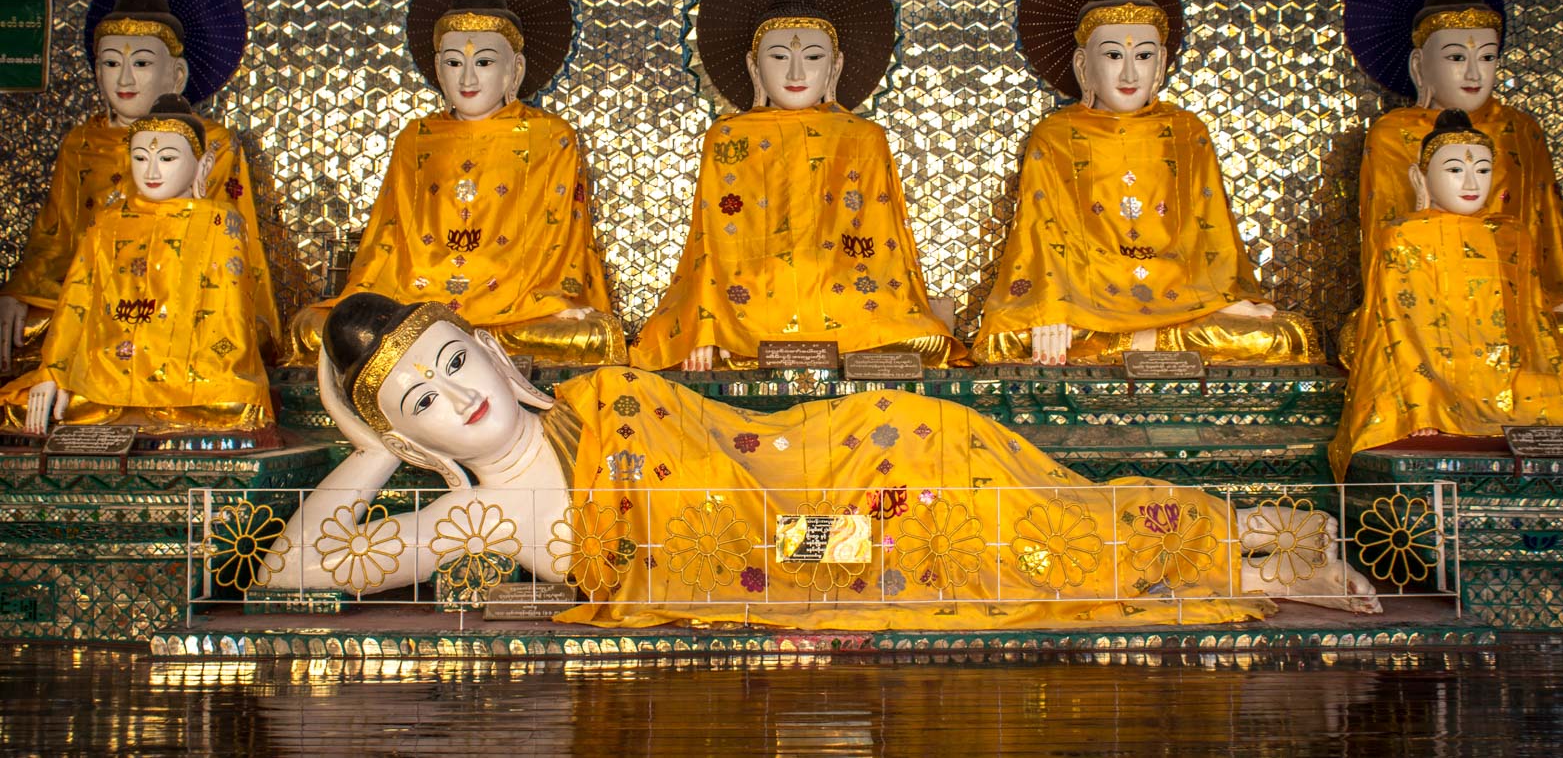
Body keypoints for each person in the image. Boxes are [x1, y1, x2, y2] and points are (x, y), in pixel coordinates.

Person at [260, 291, 1381, 629]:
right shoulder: (482, 516)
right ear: (416, 437)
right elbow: (293, 571)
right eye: (423, 402)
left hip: (827, 457)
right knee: (961, 543)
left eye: (457, 359)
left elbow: (741, 447)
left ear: (499, 352)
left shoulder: (595, 395)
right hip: (802, 543)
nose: (461, 394)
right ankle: (1244, 548)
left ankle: (1241, 537)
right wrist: (363, 444)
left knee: (984, 506)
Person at [631, 0, 961, 371]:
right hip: (754, 300)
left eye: (814, 58)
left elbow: (882, 251)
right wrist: (706, 323)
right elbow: (713, 248)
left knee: (927, 341)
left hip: (847, 299)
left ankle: (770, 344)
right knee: (715, 336)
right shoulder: (728, 137)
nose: (796, 73)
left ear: (836, 66)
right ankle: (742, 338)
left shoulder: (863, 137)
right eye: (779, 57)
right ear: (754, 67)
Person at [973, 0, 1319, 365]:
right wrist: (1049, 306)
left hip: (1182, 303)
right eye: (1113, 55)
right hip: (1086, 307)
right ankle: (1153, 343)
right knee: (1009, 342)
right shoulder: (1055, 136)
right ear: (1083, 65)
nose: (1129, 73)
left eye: (1143, 56)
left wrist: (1225, 298)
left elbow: (1211, 238)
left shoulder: (1187, 132)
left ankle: (1131, 343)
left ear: (1161, 64)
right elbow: (1039, 235)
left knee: (1287, 338)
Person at [286, 0, 623, 367]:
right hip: (416, 302)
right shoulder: (415, 139)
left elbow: (562, 245)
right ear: (437, 69)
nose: (467, 78)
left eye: (484, 61)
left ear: (515, 70)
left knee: (589, 336)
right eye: (453, 62)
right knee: (311, 331)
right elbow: (385, 243)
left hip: (518, 308)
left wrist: (556, 299)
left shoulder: (552, 138)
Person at [0, 0, 276, 369]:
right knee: (29, 327)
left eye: (142, 63)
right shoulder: (81, 142)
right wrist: (20, 289)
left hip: (178, 293)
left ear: (176, 74)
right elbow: (54, 237)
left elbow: (224, 241)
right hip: (88, 294)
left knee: (207, 331)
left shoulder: (210, 143)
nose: (124, 79)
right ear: (97, 70)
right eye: (112, 64)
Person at [1344, 0, 1563, 359]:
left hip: (1521, 296)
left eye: (1487, 57)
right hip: (1431, 296)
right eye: (1456, 57)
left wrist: (1562, 292)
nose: (1474, 73)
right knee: (1378, 335)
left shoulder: (1520, 129)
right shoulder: (1393, 133)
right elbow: (1387, 245)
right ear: (1419, 66)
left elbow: (1549, 234)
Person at [1330, 110, 1563, 479]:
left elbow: (1534, 326)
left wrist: (1530, 374)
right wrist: (1420, 401)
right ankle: (1426, 408)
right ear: (1420, 177)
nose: (1471, 182)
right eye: (1455, 170)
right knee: (1419, 394)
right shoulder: (1403, 236)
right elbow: (1399, 329)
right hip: (1435, 377)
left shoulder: (1511, 235)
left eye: (1483, 170)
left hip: (1506, 378)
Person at [0, 95, 272, 433]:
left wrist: (208, 373)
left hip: (189, 373)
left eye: (167, 158)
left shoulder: (220, 223)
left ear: (202, 166)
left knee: (232, 404)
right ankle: (137, 410)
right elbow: (76, 304)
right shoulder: (107, 222)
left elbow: (229, 318)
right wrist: (54, 370)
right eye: (140, 158)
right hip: (109, 371)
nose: (152, 171)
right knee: (31, 406)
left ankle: (142, 409)